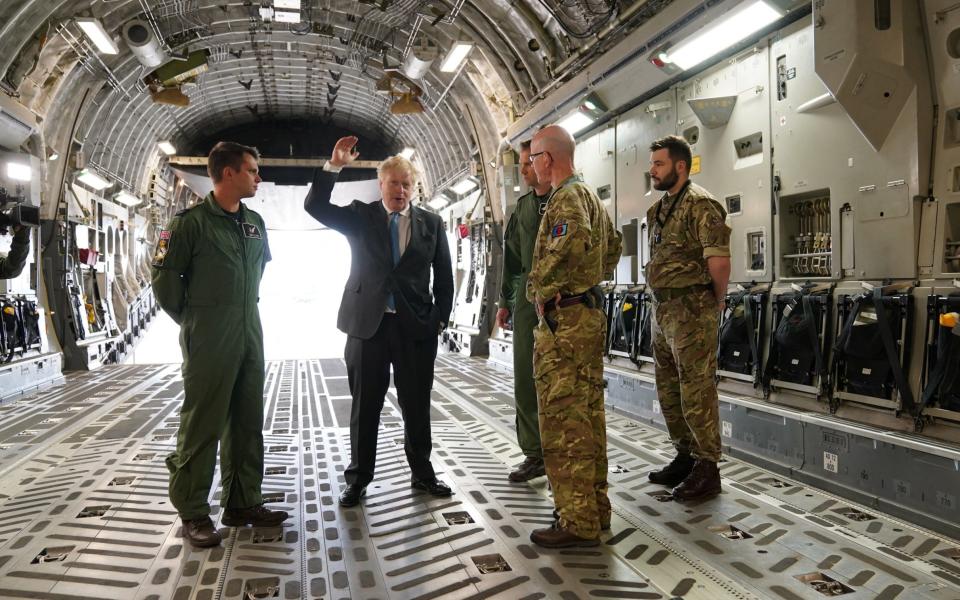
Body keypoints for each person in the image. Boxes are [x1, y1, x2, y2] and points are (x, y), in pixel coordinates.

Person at [304, 136, 455, 508]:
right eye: (393, 183)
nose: (400, 190)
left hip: (415, 329)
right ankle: (357, 479)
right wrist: (334, 165)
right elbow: (315, 206)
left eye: (407, 184)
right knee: (365, 405)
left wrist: (439, 319)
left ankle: (422, 473)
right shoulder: (360, 215)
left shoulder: (432, 224)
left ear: (414, 188)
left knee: (416, 404)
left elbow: (445, 276)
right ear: (380, 185)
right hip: (367, 327)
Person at [152, 141, 289, 548]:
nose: (258, 178)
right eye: (252, 171)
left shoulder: (255, 223)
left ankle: (243, 501)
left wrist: (237, 313)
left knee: (247, 420)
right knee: (202, 423)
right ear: (227, 173)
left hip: (250, 329)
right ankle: (193, 510)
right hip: (209, 334)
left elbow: (259, 270)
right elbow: (164, 282)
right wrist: (196, 320)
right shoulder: (188, 224)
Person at [526, 125, 622, 548]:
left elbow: (570, 244)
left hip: (564, 323)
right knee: (587, 417)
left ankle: (576, 520)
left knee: (564, 422)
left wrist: (537, 289)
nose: (530, 166)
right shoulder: (591, 198)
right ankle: (595, 510)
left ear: (548, 158)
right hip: (585, 315)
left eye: (532, 158)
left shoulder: (564, 199)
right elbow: (614, 247)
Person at [645, 134, 731, 501]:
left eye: (659, 164)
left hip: (693, 309)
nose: (652, 170)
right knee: (669, 390)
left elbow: (719, 262)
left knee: (696, 390)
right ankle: (685, 456)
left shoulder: (702, 205)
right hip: (662, 310)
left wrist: (717, 301)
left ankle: (708, 467)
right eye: (652, 164)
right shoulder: (658, 210)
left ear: (680, 166)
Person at [496, 140, 552, 482]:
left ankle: (564, 451)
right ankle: (534, 453)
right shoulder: (523, 209)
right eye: (521, 164)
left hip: (566, 307)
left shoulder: (569, 200)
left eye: (528, 163)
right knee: (525, 381)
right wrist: (505, 302)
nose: (524, 170)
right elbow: (513, 262)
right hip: (529, 307)